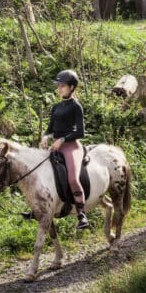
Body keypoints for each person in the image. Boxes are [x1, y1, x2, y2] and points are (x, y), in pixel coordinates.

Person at [42, 69, 91, 230]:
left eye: (62, 86)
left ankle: (82, 214)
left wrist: (62, 139)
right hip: (56, 146)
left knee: (72, 179)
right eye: (59, 86)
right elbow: (50, 128)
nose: (59, 89)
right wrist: (46, 137)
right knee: (41, 174)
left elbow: (80, 132)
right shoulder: (56, 107)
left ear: (71, 87)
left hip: (71, 147)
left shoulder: (76, 107)